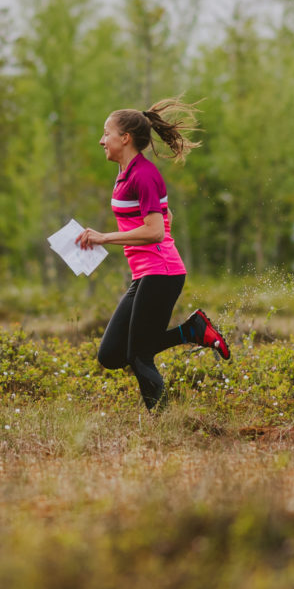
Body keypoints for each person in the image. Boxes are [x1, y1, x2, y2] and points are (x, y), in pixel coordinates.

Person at [75, 98, 231, 411]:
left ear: (125, 138)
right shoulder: (125, 173)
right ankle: (193, 330)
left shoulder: (143, 174)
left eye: (106, 133)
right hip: (145, 273)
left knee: (138, 355)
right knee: (111, 355)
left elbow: (156, 231)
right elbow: (163, 214)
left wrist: (105, 237)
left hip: (162, 272)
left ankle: (163, 423)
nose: (101, 140)